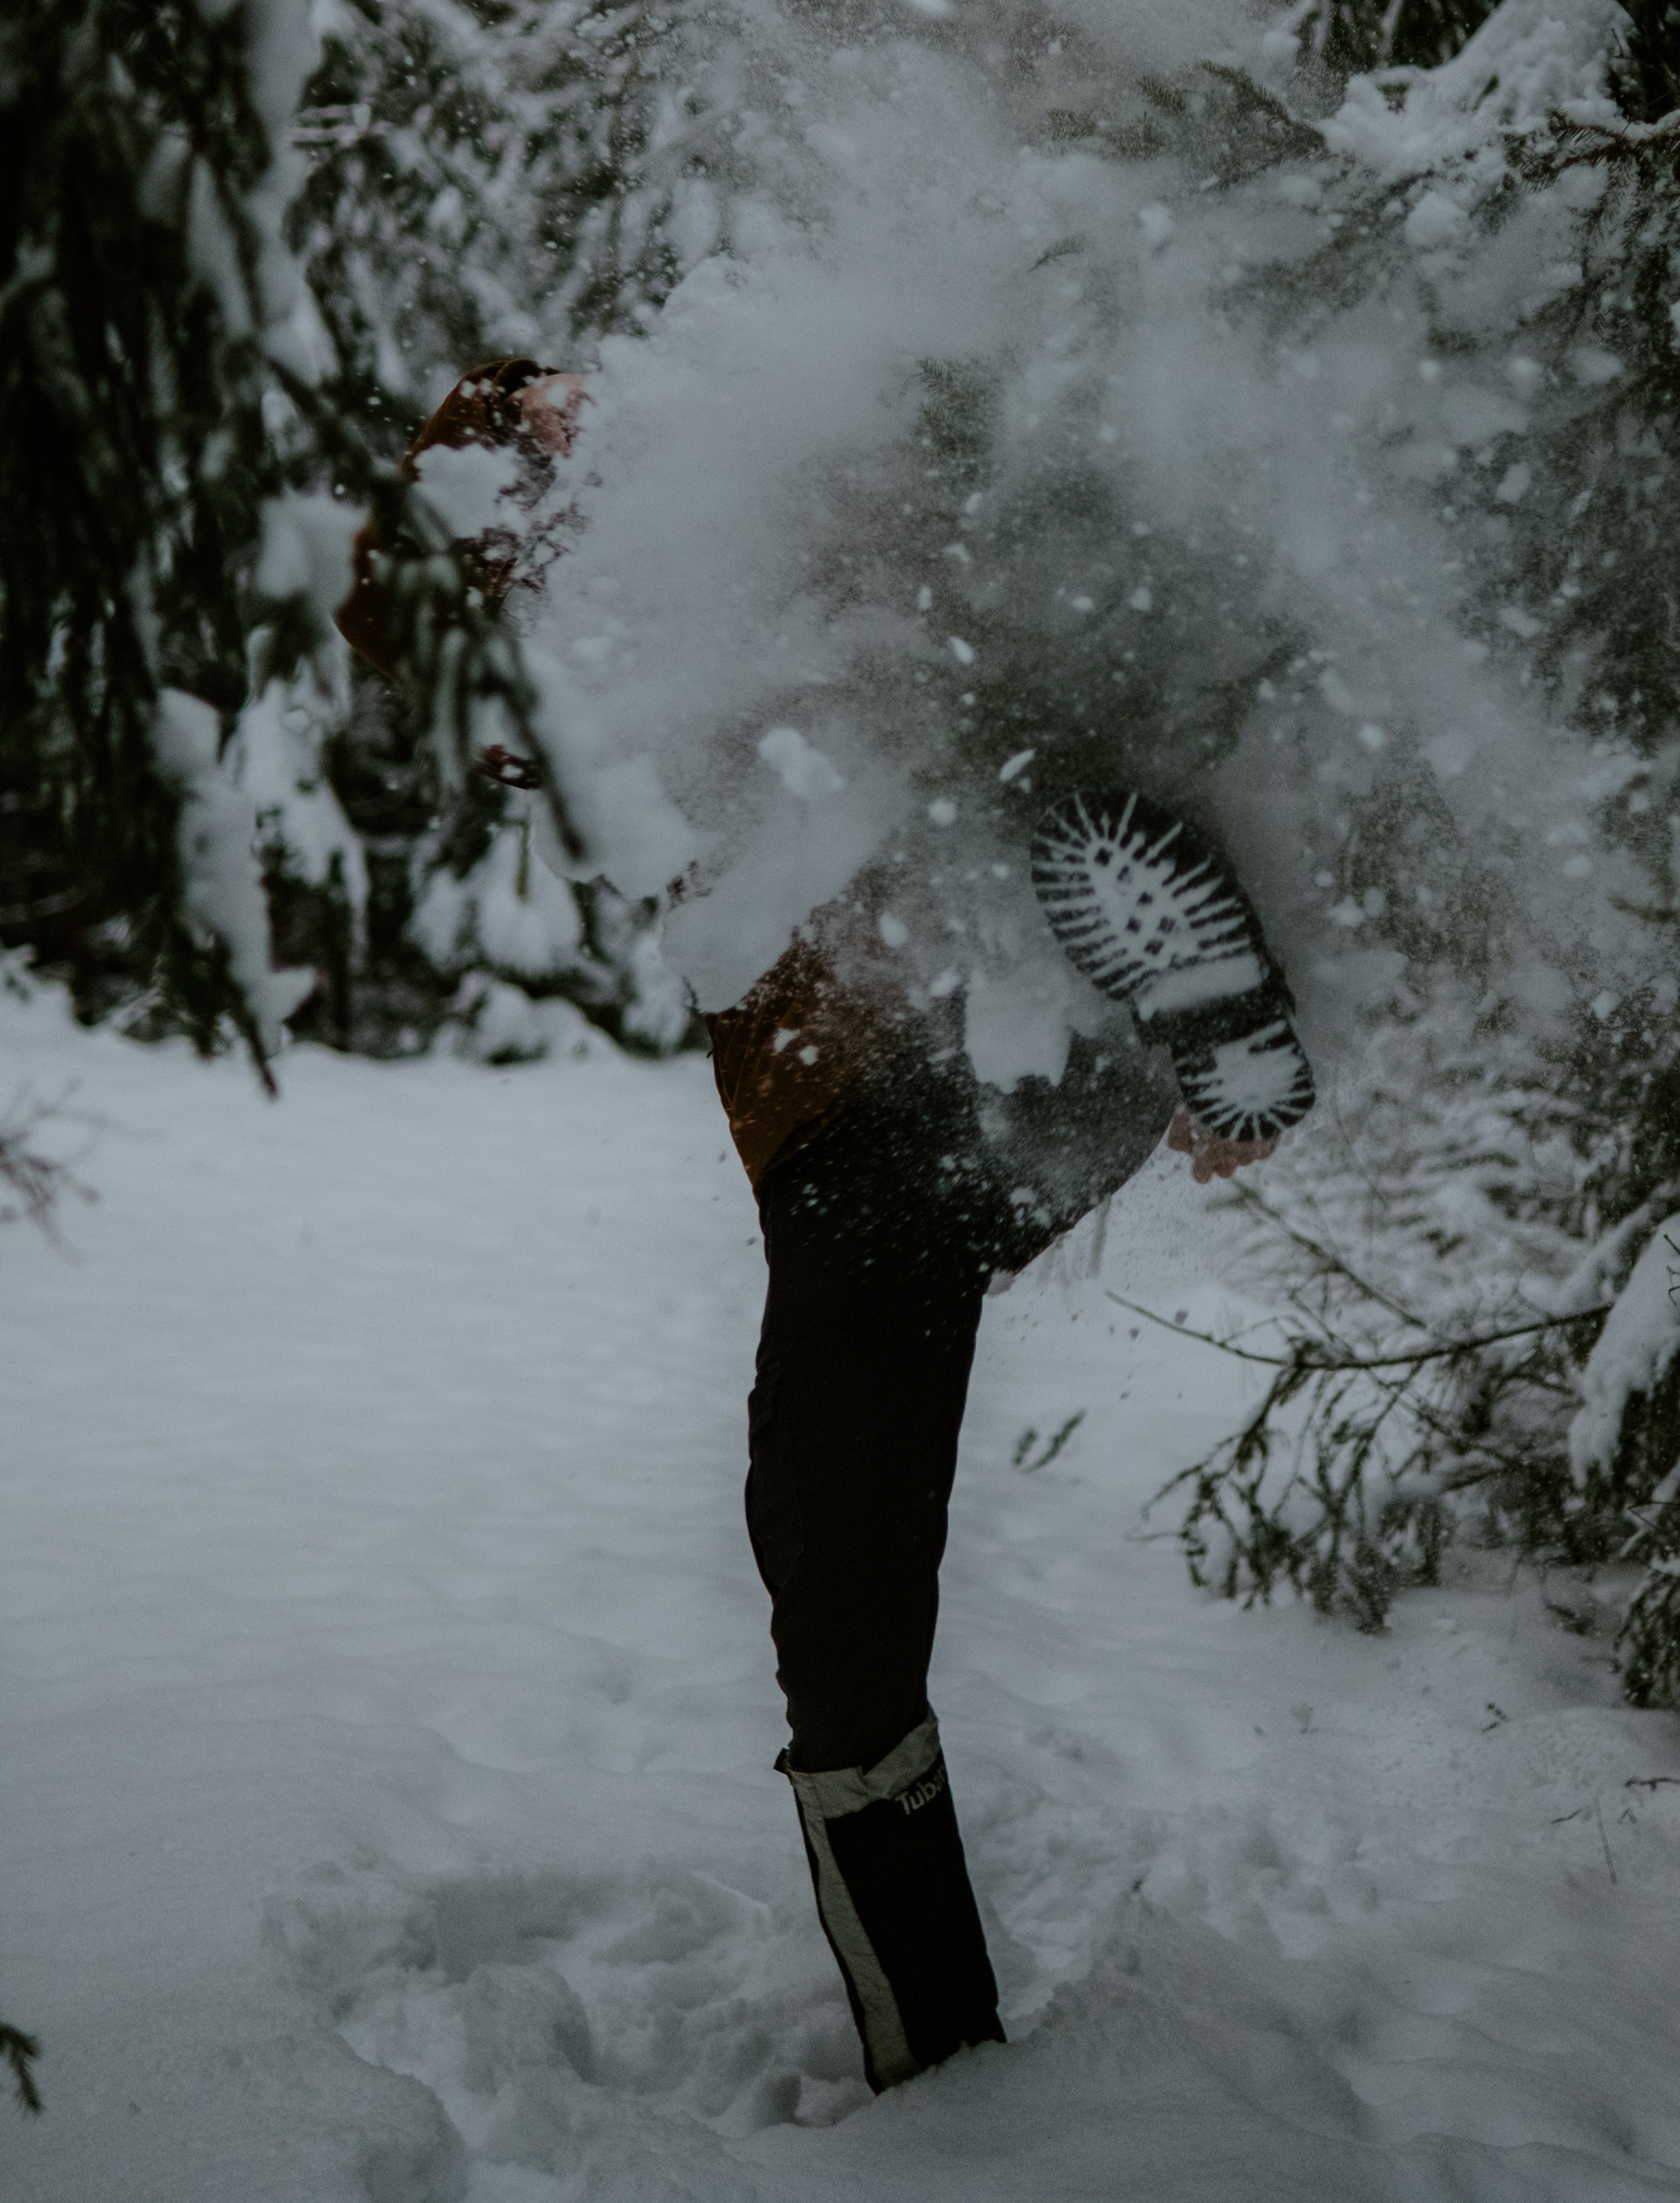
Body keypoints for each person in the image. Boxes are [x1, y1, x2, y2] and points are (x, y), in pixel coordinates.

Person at [337, 362, 1318, 2093]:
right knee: (837, 1525)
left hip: (879, 1108)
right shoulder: (685, 606)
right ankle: (1164, 1010)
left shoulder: (686, 526)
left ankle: (939, 2062)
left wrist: (562, 436)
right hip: (995, 1078)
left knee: (834, 1566)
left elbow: (554, 460)